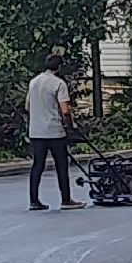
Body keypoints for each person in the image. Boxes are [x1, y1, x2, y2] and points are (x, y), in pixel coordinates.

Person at [26, 54, 84, 211]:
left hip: (36, 131)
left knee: (38, 165)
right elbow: (65, 110)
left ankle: (34, 200)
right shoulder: (59, 84)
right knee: (61, 164)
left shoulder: (34, 82)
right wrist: (70, 126)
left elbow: (28, 107)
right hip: (54, 131)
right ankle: (66, 200)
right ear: (59, 67)